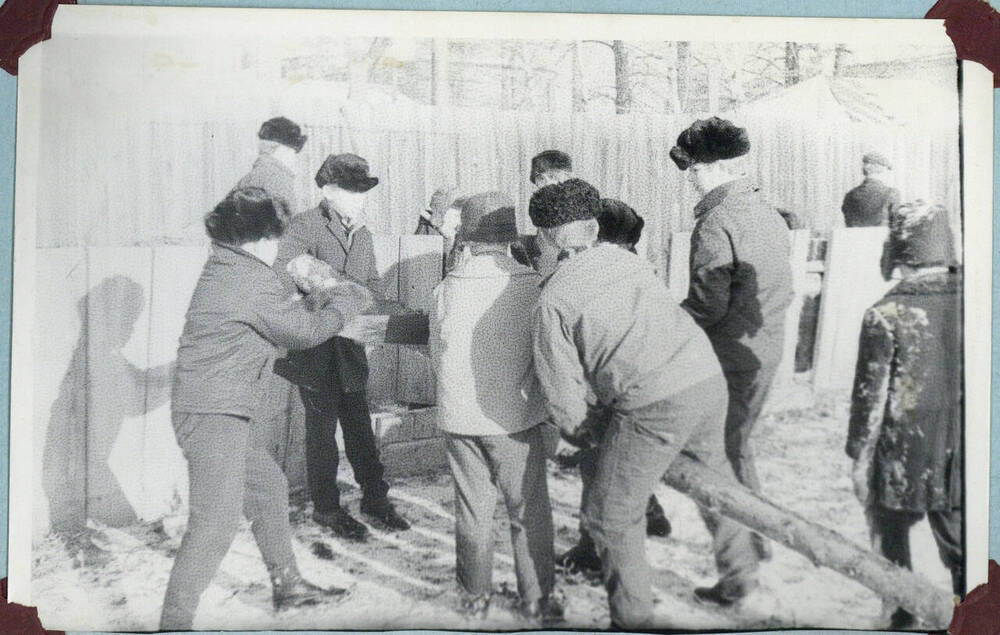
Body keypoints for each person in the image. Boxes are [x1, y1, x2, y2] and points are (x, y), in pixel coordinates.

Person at [529, 179, 761, 628]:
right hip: (705, 378)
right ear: (594, 229)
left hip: (652, 403)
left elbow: (560, 392)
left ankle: (632, 620)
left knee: (610, 517)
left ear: (544, 237)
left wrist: (586, 434)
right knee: (716, 485)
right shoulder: (629, 262)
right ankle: (741, 580)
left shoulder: (553, 298)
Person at [161, 187, 374, 630]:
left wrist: (321, 299)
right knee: (214, 526)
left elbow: (277, 314)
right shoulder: (247, 279)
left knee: (269, 487)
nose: (280, 246)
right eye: (277, 237)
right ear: (257, 238)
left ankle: (288, 585)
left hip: (214, 410)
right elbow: (301, 330)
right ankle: (173, 624)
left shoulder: (228, 266)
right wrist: (348, 298)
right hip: (214, 415)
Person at [429, 192, 562, 625]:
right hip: (513, 420)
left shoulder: (445, 289)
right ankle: (537, 598)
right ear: (510, 238)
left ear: (466, 238)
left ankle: (473, 595)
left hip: (459, 419)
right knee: (528, 510)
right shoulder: (530, 287)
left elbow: (436, 351)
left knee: (473, 511)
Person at [670, 116, 793, 560]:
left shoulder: (716, 221)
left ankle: (747, 555)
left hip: (730, 354)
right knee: (736, 445)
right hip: (766, 346)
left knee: (722, 453)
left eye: (694, 170)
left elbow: (707, 304)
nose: (689, 180)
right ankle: (755, 544)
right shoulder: (766, 211)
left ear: (716, 167)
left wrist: (666, 330)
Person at [273, 153, 411, 542]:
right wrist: (331, 297)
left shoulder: (363, 233)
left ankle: (375, 499)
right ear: (329, 191)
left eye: (364, 192)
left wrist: (367, 310)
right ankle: (327, 508)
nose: (360, 200)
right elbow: (283, 277)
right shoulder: (304, 226)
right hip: (314, 349)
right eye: (353, 192)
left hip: (350, 349)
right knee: (321, 432)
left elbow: (372, 285)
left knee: (360, 428)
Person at [846, 201, 962, 630]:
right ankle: (973, 608)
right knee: (964, 545)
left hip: (906, 458)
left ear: (897, 250)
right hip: (969, 452)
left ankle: (899, 609)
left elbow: (868, 399)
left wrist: (859, 460)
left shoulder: (886, 313)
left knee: (884, 518)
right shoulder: (982, 300)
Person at [555, 198, 671, 576]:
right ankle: (650, 512)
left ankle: (594, 549)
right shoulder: (644, 271)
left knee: (598, 469)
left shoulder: (596, 274)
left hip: (611, 390)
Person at [237, 116, 308, 217]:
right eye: (293, 152)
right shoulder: (278, 178)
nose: (295, 159)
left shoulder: (250, 177)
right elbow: (289, 227)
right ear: (282, 149)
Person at [841, 152, 900, 228]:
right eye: (887, 170)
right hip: (882, 239)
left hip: (855, 239)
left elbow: (848, 223)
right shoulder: (891, 193)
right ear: (882, 170)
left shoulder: (850, 195)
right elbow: (895, 226)